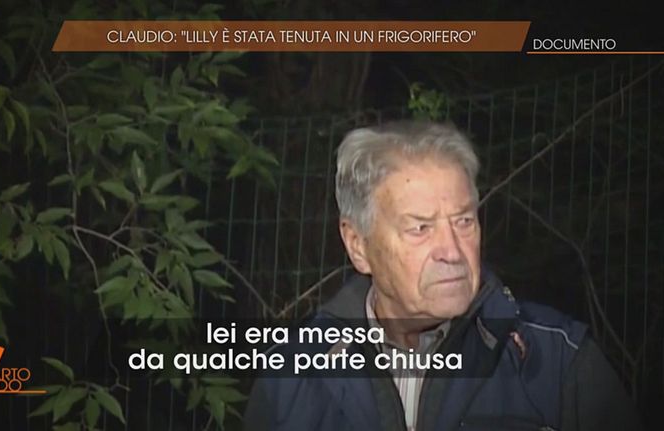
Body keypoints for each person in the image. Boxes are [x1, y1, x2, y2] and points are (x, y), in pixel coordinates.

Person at [243, 120, 642, 431]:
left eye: (464, 221)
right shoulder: (293, 375)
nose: (452, 251)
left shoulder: (556, 360)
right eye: (420, 228)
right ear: (358, 245)